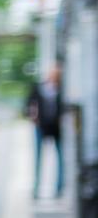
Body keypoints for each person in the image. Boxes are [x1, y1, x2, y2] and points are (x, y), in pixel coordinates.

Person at [27, 64, 65, 199]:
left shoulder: (62, 89)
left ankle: (59, 188)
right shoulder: (38, 87)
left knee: (61, 158)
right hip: (41, 126)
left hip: (56, 128)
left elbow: (63, 107)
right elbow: (29, 103)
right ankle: (37, 188)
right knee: (38, 158)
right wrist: (32, 117)